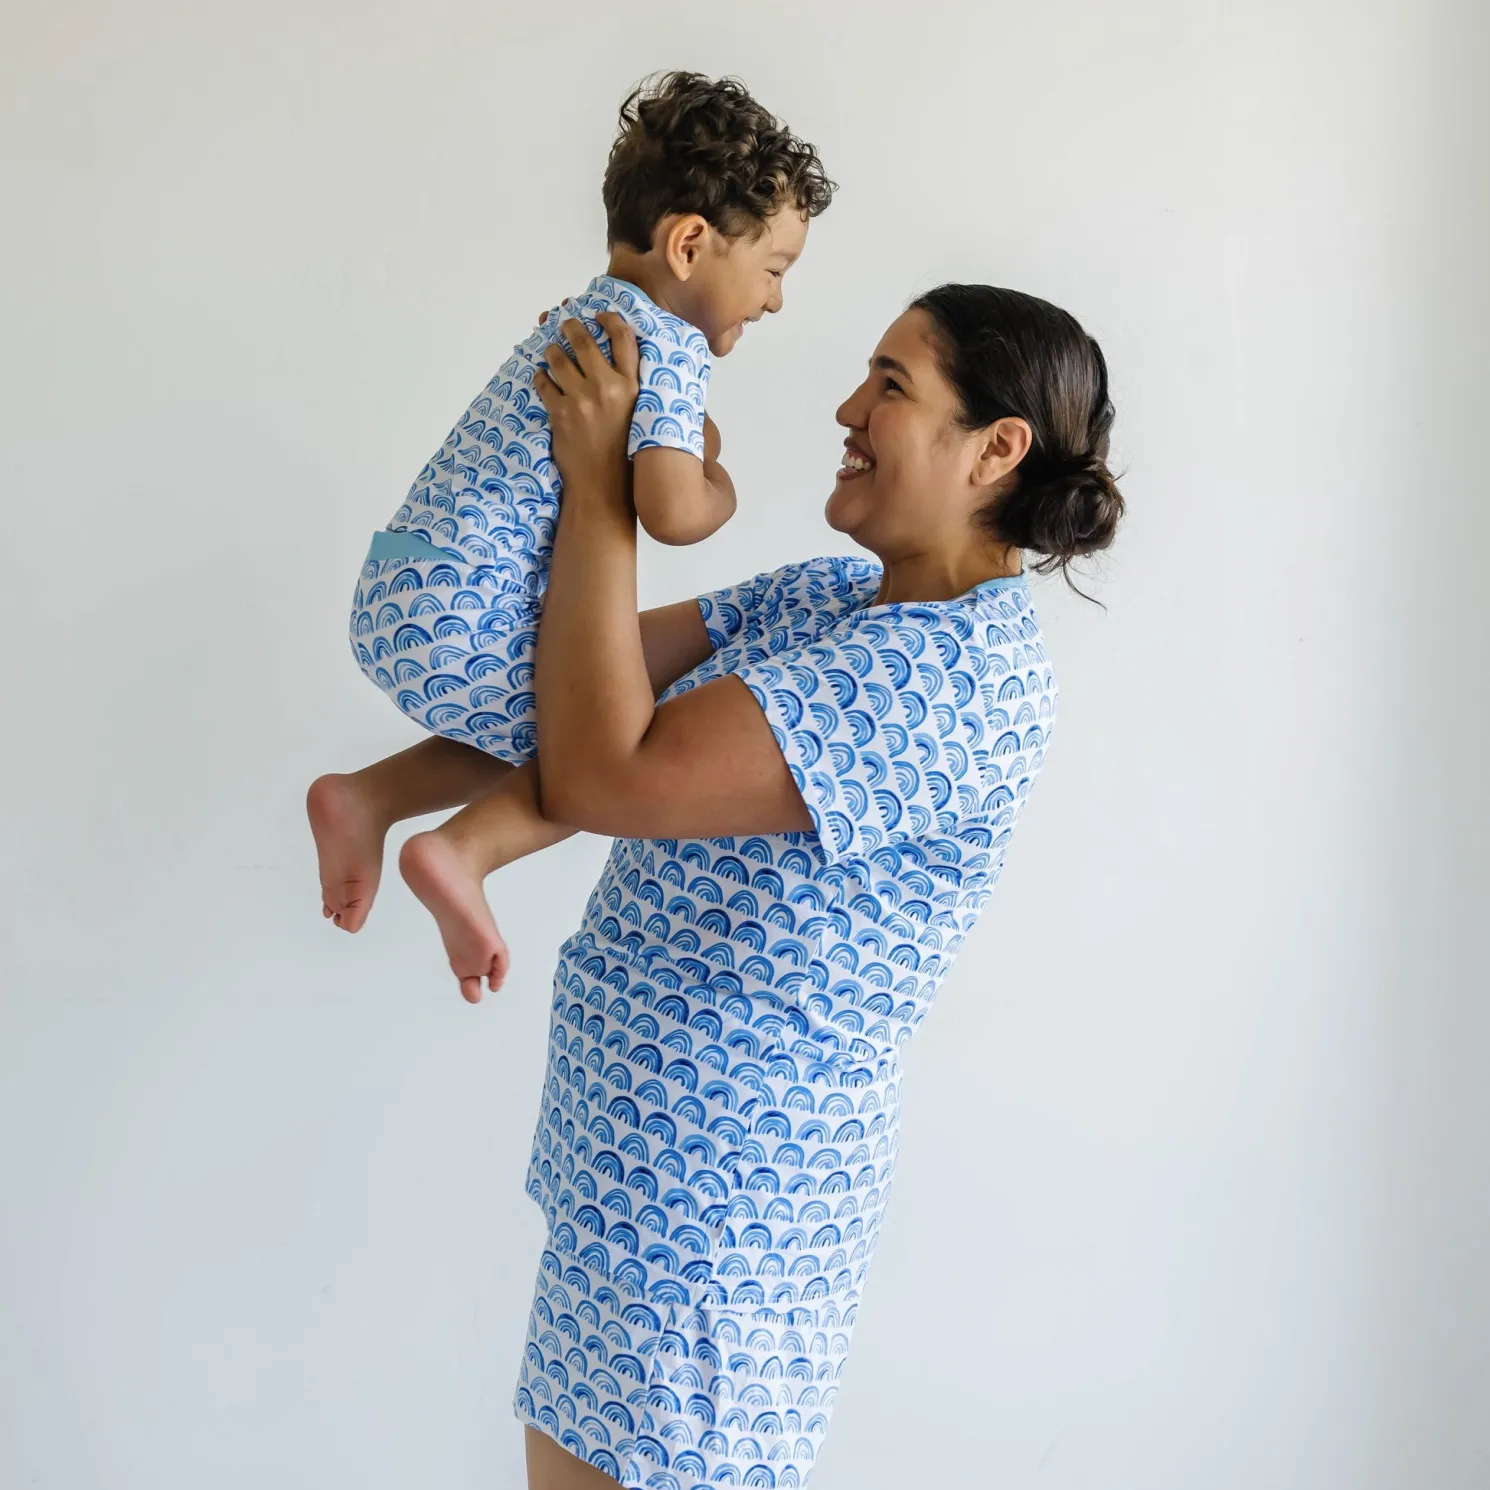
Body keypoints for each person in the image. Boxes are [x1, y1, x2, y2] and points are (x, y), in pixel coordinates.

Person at [512, 284, 1124, 1488]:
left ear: (994, 448)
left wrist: (602, 488)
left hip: (713, 1223)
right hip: (631, 1187)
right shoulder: (826, 601)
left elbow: (600, 771)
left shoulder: (954, 675)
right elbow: (568, 681)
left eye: (890, 385)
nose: (847, 408)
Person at [305, 72, 834, 999]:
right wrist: (721, 482)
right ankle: (461, 849)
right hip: (463, 621)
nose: (776, 300)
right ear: (690, 245)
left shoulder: (581, 318)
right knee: (620, 726)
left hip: (405, 583)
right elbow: (673, 512)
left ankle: (370, 796)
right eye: (775, 269)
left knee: (566, 703)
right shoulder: (664, 347)